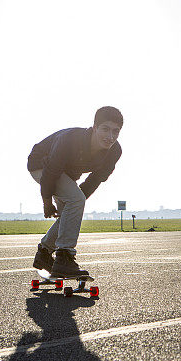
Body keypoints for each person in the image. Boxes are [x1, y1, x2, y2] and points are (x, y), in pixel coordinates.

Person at [28, 107, 123, 276]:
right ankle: (64, 256)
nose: (110, 137)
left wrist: (75, 205)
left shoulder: (114, 151)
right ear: (94, 127)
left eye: (116, 131)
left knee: (71, 212)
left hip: (65, 173)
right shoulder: (71, 139)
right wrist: (47, 202)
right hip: (41, 165)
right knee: (75, 201)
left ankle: (44, 253)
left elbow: (94, 181)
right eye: (105, 129)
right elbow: (50, 173)